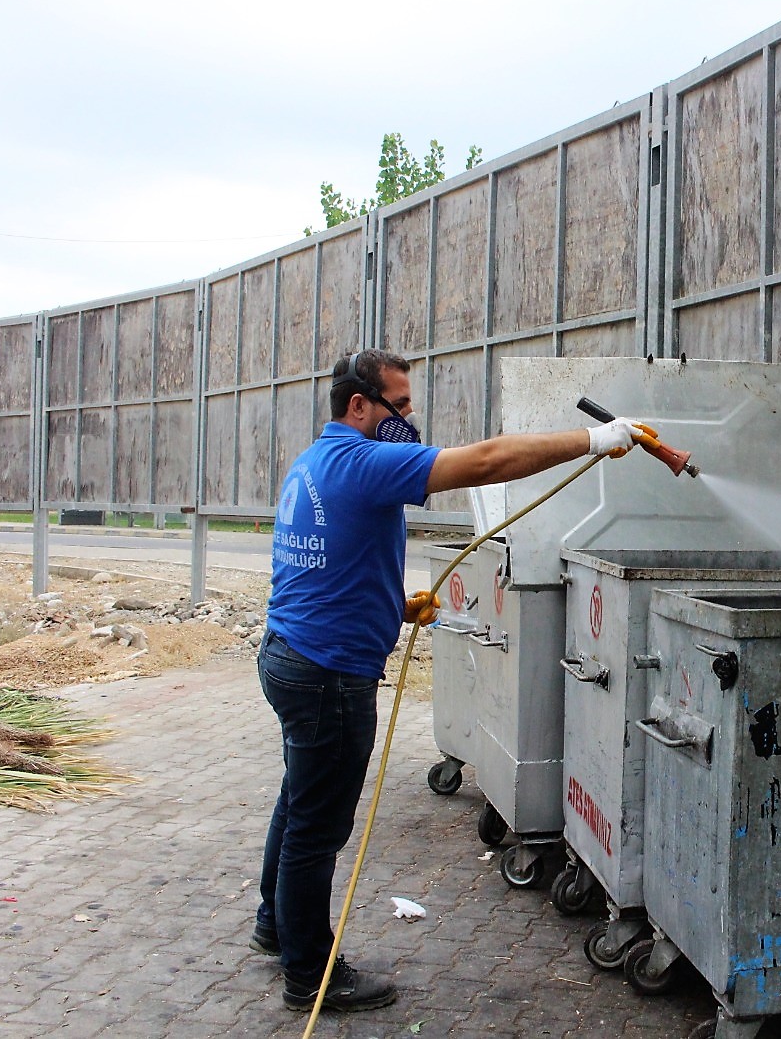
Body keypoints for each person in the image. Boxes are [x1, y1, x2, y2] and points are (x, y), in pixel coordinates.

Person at [252, 348, 646, 1012]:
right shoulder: (362, 461)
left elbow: (321, 563)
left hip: (288, 653)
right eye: (399, 407)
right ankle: (308, 973)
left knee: (299, 801)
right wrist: (592, 440)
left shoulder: (313, 464)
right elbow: (488, 461)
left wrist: (393, 606)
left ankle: (275, 924)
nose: (409, 419)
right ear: (358, 406)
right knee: (318, 829)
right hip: (328, 678)